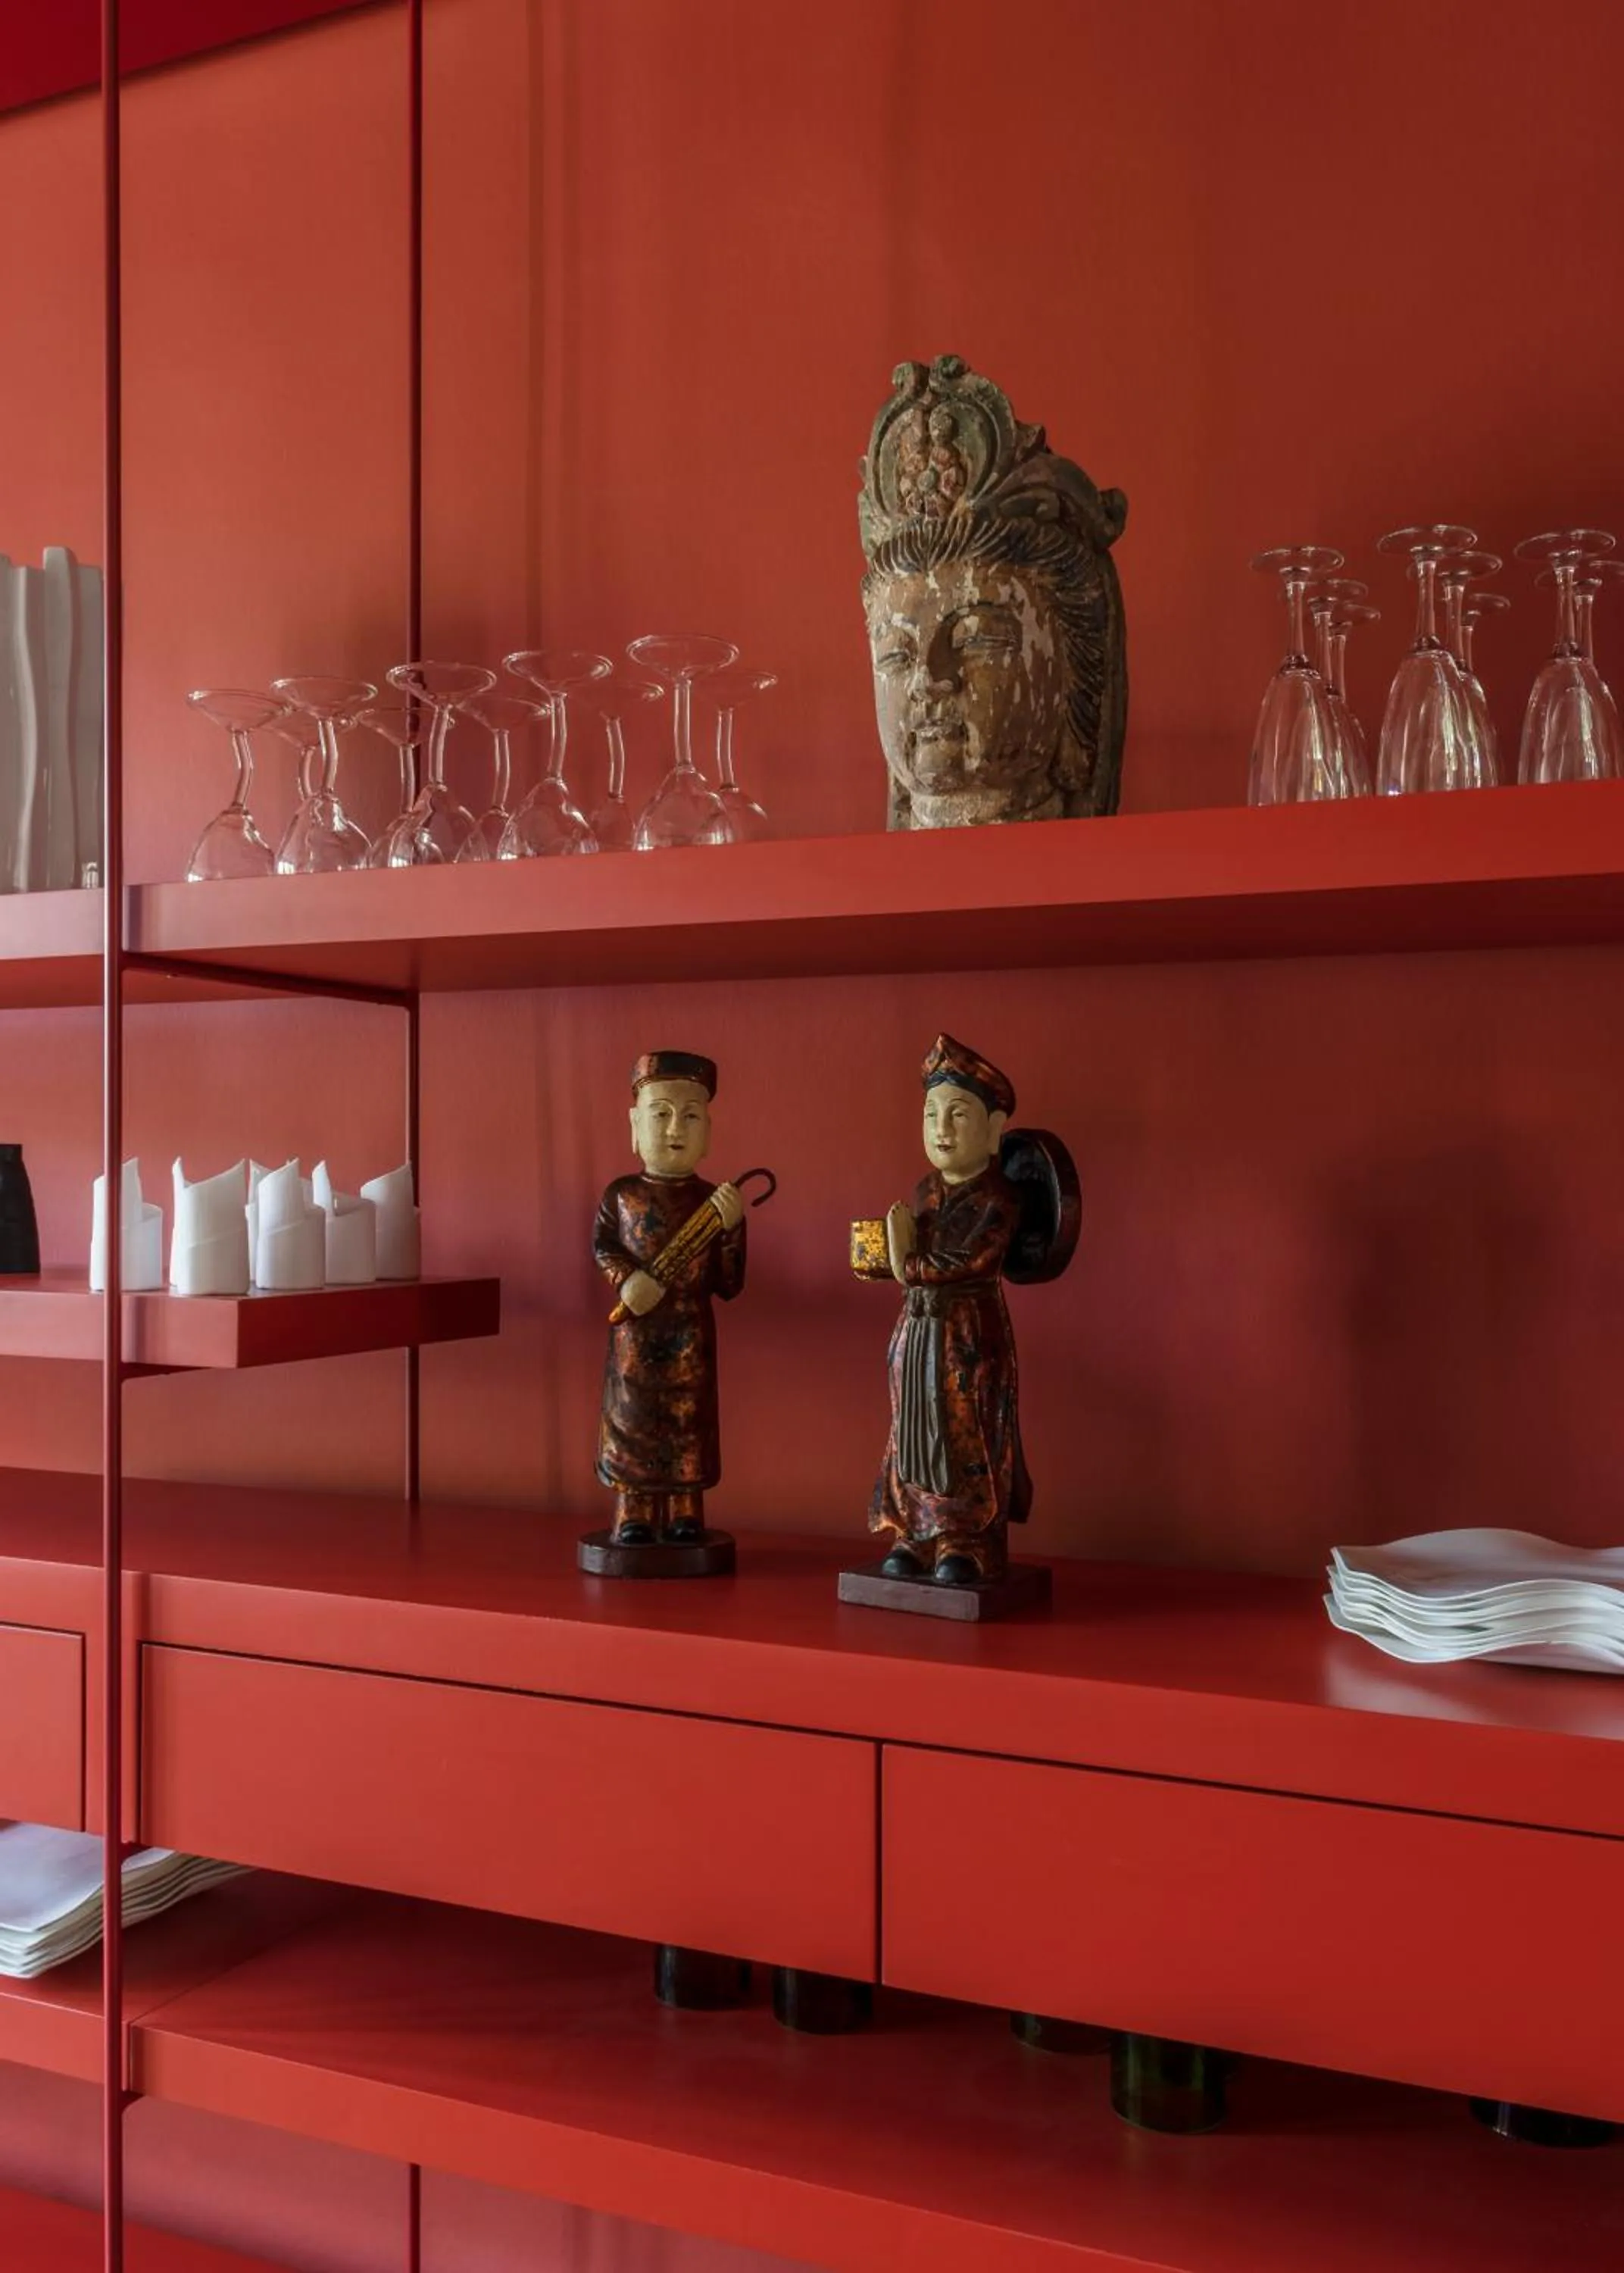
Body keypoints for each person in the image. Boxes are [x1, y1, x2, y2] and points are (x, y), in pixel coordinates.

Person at [869, 1033, 1032, 1584]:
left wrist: (906, 1261)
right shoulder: (925, 1191)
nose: (942, 1128)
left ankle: (964, 1538)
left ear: (993, 1128)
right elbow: (906, 1256)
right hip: (917, 1330)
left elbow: (973, 1259)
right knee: (910, 1429)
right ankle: (914, 1531)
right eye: (931, 1114)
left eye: (958, 1115)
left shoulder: (998, 1198)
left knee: (964, 1430)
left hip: (966, 1334)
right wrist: (883, 1255)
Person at [593, 1052, 745, 1544]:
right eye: (661, 1114)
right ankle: (634, 1510)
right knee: (632, 1418)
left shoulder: (712, 1203)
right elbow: (604, 1246)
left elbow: (729, 1283)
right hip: (636, 1335)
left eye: (691, 1116)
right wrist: (625, 1279)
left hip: (690, 1335)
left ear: (709, 1132)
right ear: (635, 1126)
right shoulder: (622, 1196)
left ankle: (685, 1510)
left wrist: (732, 1228)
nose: (676, 1128)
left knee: (688, 1420)